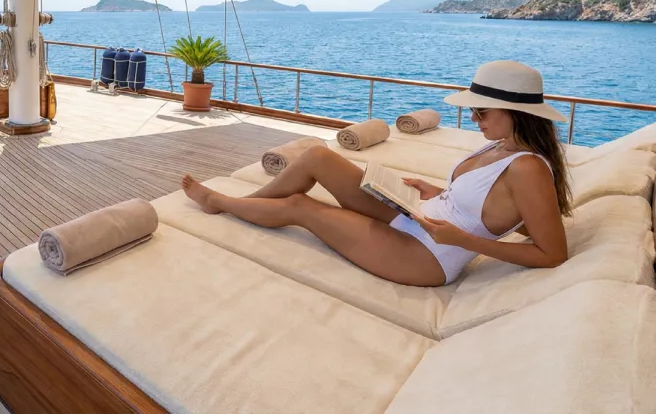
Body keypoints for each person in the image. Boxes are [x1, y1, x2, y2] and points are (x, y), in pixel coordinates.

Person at [181, 60, 572, 287]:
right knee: (318, 157)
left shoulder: (528, 168)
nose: (472, 118)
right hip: (419, 218)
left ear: (516, 113)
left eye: (480, 112)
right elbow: (496, 209)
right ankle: (247, 205)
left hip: (427, 256)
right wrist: (435, 191)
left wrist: (466, 241)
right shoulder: (500, 145)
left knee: (301, 206)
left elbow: (552, 253)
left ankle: (219, 202)